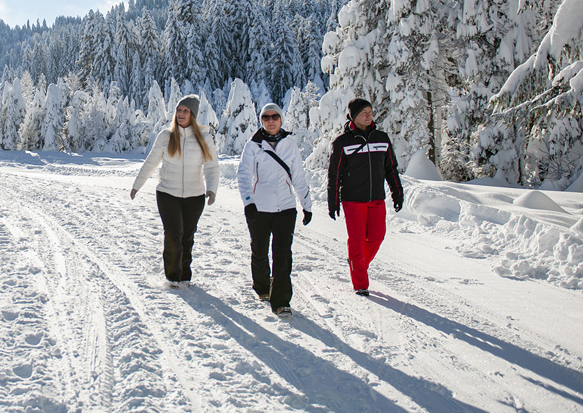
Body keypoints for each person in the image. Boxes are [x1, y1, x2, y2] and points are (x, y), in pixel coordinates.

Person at [131, 94, 220, 285]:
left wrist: (212, 189)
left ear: (193, 115)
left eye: (185, 111)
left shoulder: (204, 137)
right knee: (173, 233)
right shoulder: (166, 136)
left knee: (187, 236)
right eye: (179, 110)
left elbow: (212, 166)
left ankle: (185, 275)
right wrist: (137, 185)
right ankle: (173, 276)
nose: (180, 114)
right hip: (167, 194)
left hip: (195, 196)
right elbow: (151, 162)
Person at [237, 103, 312, 316]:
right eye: (266, 117)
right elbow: (243, 176)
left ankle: (281, 301)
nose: (271, 121)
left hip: (286, 209)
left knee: (282, 254)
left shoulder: (290, 145)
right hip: (259, 209)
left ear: (281, 120)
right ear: (261, 121)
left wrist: (306, 206)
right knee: (259, 250)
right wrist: (249, 202)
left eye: (275, 117)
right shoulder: (253, 145)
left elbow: (298, 177)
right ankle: (262, 287)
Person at [327, 98, 404, 296]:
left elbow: (391, 169)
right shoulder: (342, 143)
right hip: (353, 200)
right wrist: (333, 200)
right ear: (354, 116)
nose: (369, 115)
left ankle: (356, 263)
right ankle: (360, 283)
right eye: (364, 112)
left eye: (370, 111)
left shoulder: (382, 138)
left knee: (377, 237)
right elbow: (334, 174)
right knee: (357, 240)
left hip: (376, 198)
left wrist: (397, 192)